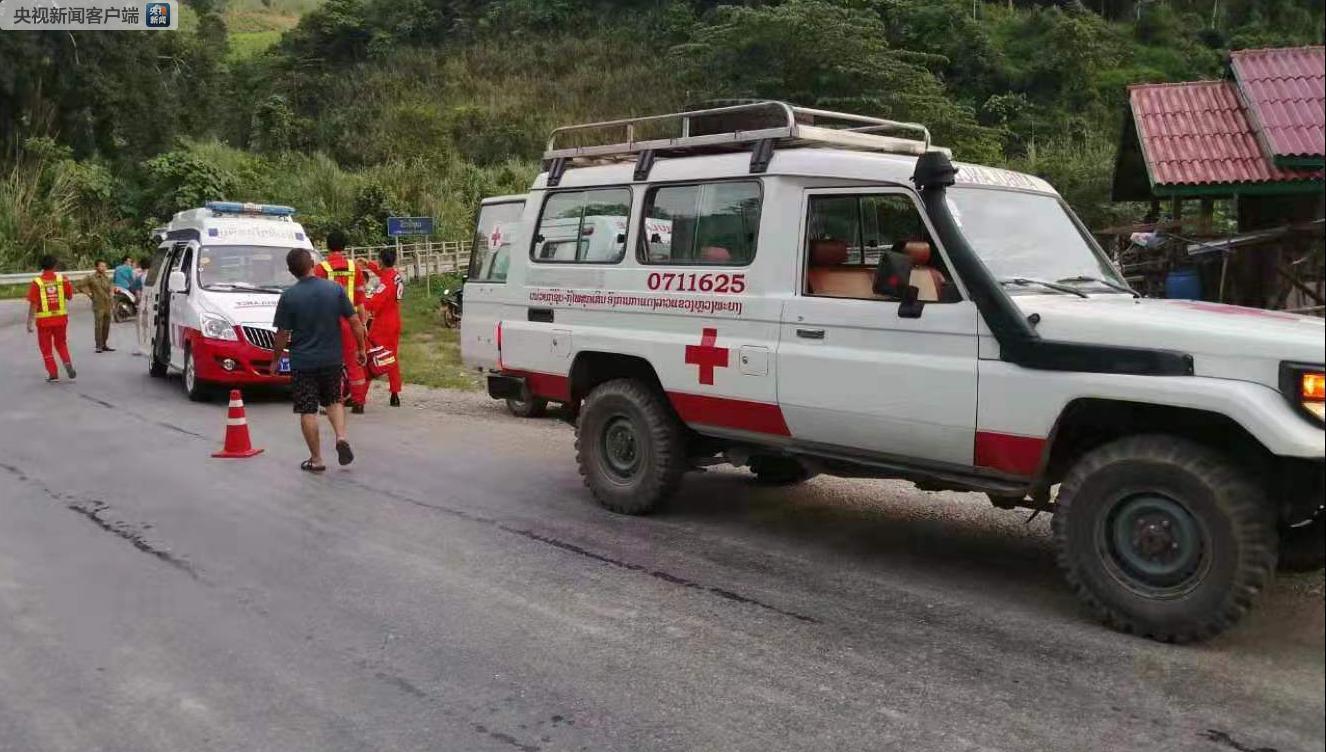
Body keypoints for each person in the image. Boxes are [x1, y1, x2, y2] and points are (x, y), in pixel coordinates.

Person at [270, 248, 367, 472]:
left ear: (291, 271)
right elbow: (354, 322)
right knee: (334, 401)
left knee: (307, 410)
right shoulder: (334, 289)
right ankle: (341, 437)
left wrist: (275, 360)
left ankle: (316, 459)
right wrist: (361, 348)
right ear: (312, 263)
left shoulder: (289, 296)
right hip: (332, 359)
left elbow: (282, 334)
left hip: (303, 362)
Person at [313, 230, 370, 413]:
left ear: (328, 247)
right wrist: (362, 325)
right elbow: (361, 302)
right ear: (344, 247)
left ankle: (333, 401)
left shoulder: (320, 269)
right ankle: (359, 401)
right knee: (355, 362)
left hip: (329, 323)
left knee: (332, 364)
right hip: (351, 321)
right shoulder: (356, 269)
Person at [363, 248, 405, 407]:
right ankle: (395, 392)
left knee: (370, 356)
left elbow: (373, 303)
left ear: (382, 260)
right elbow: (382, 273)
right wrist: (368, 264)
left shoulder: (386, 283)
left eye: (377, 259)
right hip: (395, 321)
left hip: (382, 325)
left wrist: (358, 301)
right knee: (391, 357)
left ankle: (360, 396)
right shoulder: (395, 276)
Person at [26, 255, 77, 382]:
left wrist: (29, 322)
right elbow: (70, 296)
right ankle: (67, 362)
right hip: (61, 319)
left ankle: (53, 374)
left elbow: (33, 303)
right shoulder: (63, 279)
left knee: (46, 347)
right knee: (61, 344)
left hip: (44, 322)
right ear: (55, 265)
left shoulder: (37, 282)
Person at [76, 259, 114, 352]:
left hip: (108, 304)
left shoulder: (106, 277)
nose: (103, 268)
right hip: (98, 305)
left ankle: (104, 344)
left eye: (105, 266)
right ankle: (98, 345)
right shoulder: (91, 277)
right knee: (99, 325)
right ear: (96, 267)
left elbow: (110, 288)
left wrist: (112, 293)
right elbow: (79, 285)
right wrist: (89, 294)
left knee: (106, 325)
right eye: (101, 266)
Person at [133, 256, 152, 356]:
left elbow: (138, 293)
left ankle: (141, 347)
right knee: (151, 326)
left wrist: (137, 303)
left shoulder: (140, 277)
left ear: (141, 266)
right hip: (154, 303)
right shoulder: (155, 276)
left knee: (141, 326)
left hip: (144, 304)